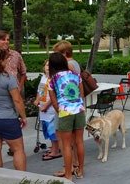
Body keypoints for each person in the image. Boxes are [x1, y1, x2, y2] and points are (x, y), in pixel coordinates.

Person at [48, 52, 85, 181]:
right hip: (79, 110)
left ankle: (68, 175)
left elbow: (53, 101)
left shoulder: (52, 80)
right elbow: (81, 93)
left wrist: (60, 111)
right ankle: (80, 170)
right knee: (79, 141)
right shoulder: (76, 75)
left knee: (66, 145)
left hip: (65, 112)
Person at [0, 48, 27, 171]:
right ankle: (21, 179)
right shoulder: (8, 78)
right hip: (7, 118)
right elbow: (17, 100)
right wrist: (23, 117)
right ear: (1, 60)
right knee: (18, 149)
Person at [34, 60, 61, 161]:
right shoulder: (43, 77)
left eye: (50, 65)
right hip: (43, 108)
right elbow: (40, 90)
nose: (48, 67)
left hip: (51, 109)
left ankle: (55, 151)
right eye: (46, 65)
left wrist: (46, 105)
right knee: (48, 130)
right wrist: (37, 100)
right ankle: (54, 147)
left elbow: (55, 95)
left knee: (53, 130)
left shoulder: (54, 79)